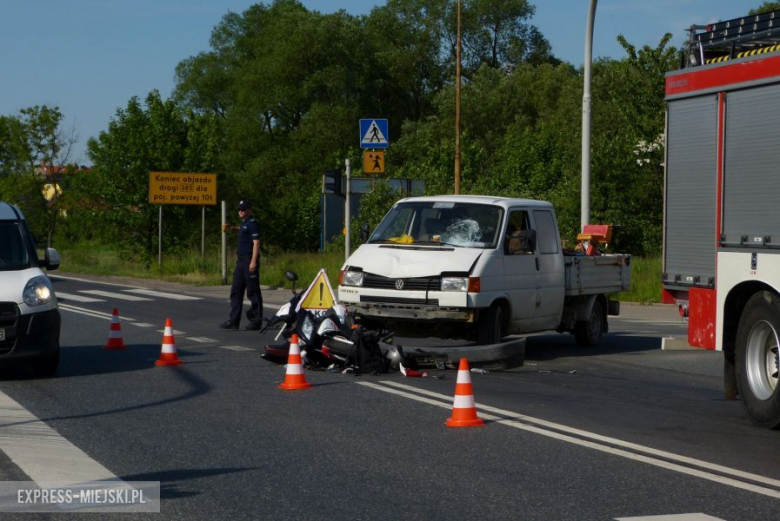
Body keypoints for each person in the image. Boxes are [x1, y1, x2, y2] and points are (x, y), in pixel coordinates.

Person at [220, 200, 264, 330]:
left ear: (249, 210)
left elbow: (256, 243)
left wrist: (253, 261)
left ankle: (257, 321)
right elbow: (243, 230)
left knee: (252, 291)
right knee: (236, 291)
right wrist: (233, 228)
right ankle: (234, 320)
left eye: (243, 209)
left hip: (249, 259)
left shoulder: (252, 223)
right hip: (240, 261)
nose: (240, 211)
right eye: (239, 209)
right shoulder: (244, 223)